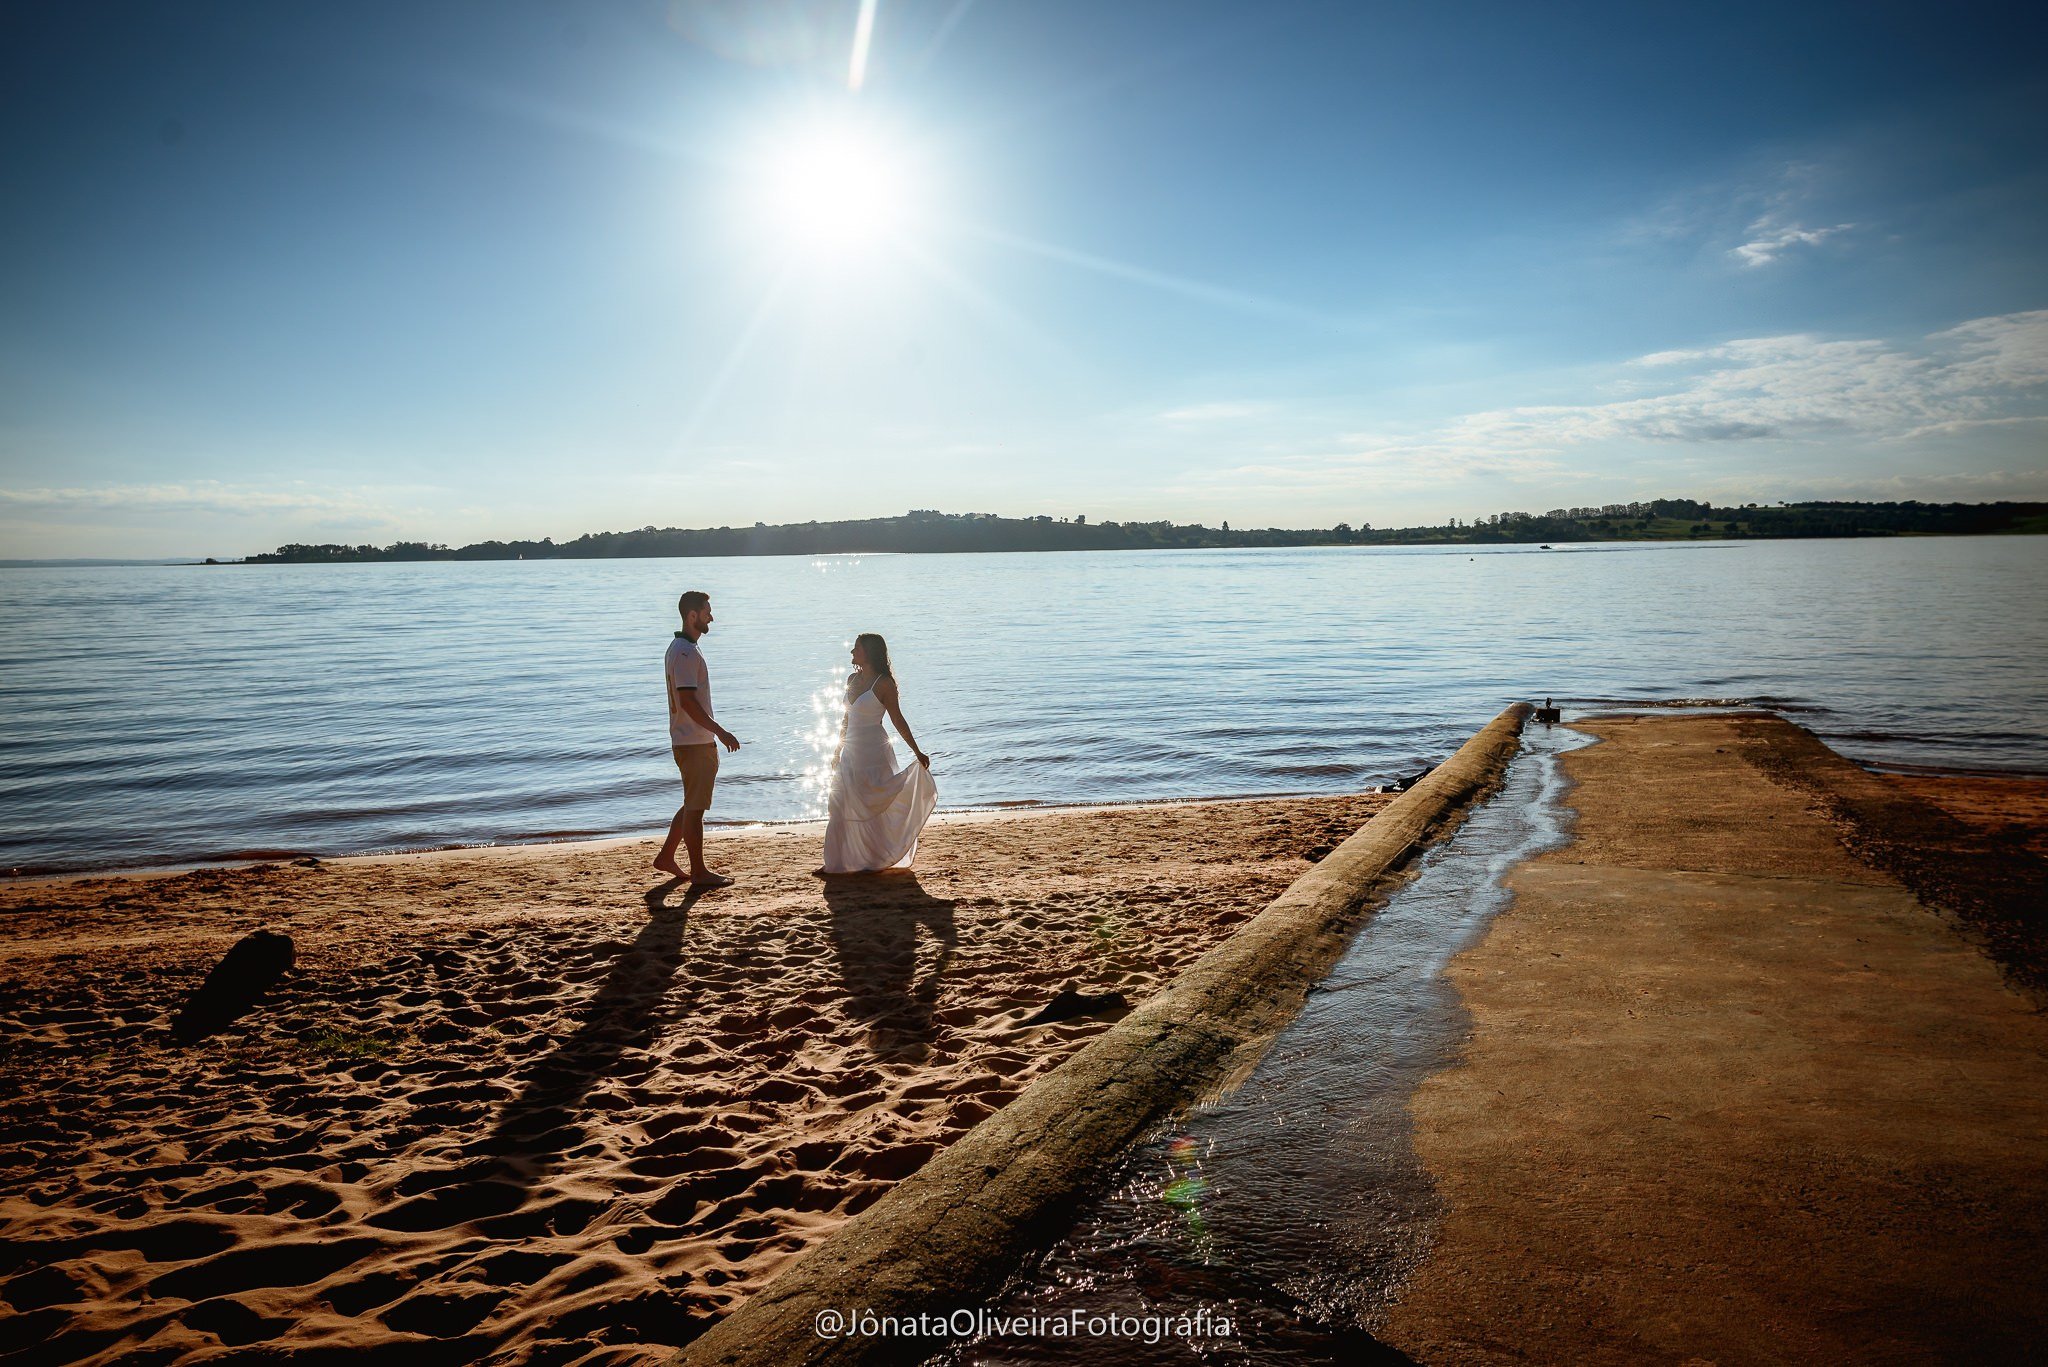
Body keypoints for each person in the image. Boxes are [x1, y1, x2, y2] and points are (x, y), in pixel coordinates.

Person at [821, 633, 938, 874]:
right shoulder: (852, 678)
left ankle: (874, 859)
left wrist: (916, 750)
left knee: (873, 804)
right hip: (851, 752)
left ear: (870, 652)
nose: (852, 653)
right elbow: (846, 718)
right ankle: (836, 863)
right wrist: (837, 749)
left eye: (857, 649)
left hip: (874, 752)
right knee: (840, 803)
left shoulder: (884, 684)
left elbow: (897, 719)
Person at [654, 591, 741, 886]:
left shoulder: (681, 648)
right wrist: (720, 731)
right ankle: (699, 872)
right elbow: (688, 702)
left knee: (691, 803)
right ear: (692, 616)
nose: (711, 617)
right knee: (696, 809)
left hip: (690, 740)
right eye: (706, 612)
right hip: (693, 742)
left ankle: (666, 856)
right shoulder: (685, 652)